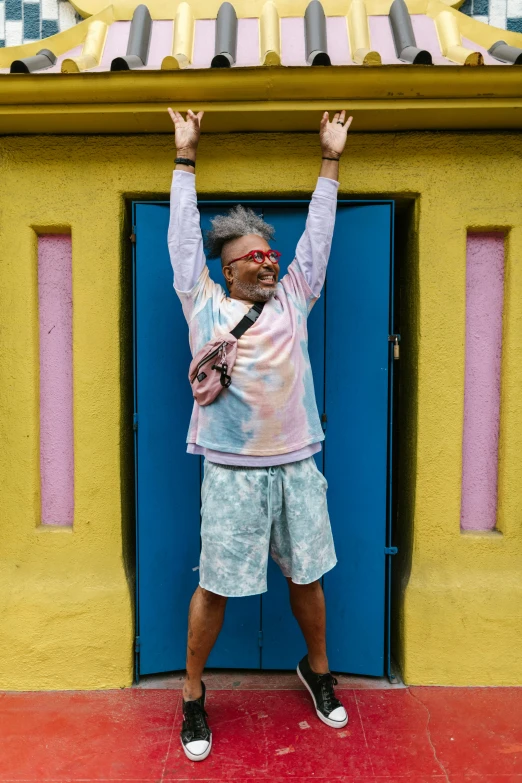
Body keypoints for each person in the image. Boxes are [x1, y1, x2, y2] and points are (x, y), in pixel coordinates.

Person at [167, 107, 353, 762]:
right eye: (251, 259)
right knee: (215, 586)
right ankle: (192, 695)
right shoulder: (204, 304)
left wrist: (330, 161)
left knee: (307, 577)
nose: (266, 264)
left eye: (269, 254)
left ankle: (317, 668)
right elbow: (183, 244)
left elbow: (319, 241)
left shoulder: (295, 298)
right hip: (230, 470)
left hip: (298, 464)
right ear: (228, 272)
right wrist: (184, 157)